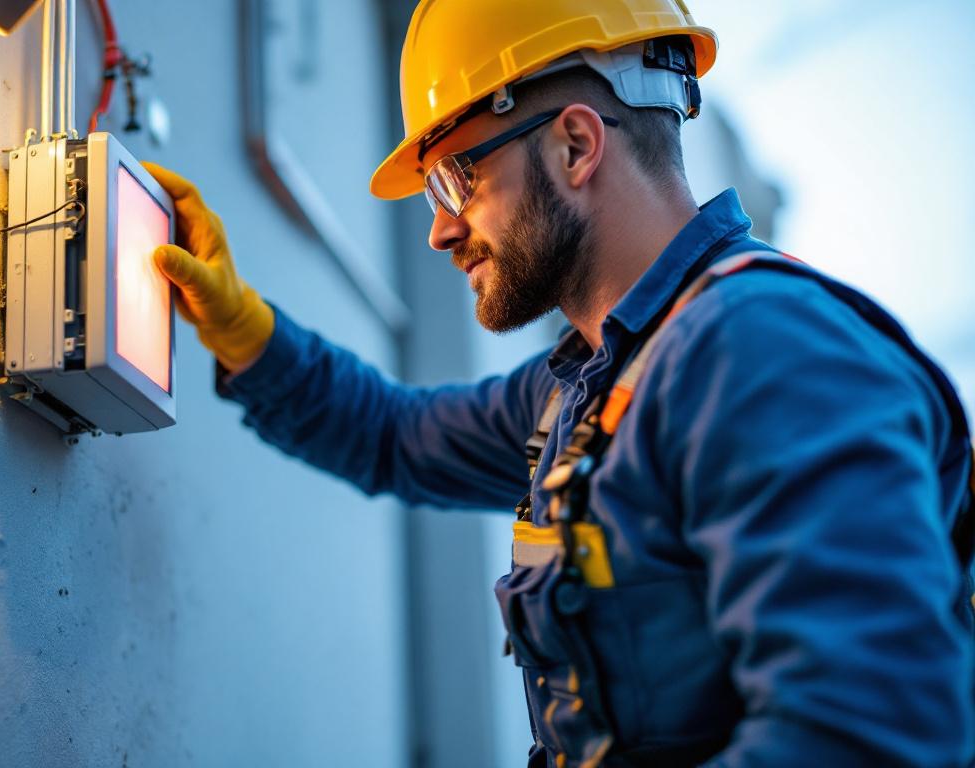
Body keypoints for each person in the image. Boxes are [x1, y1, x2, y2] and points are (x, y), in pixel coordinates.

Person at [142, 0, 975, 765]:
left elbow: (862, 734)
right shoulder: (592, 389)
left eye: (454, 179)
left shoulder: (764, 357)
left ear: (575, 145)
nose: (439, 230)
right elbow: (392, 435)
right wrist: (242, 326)